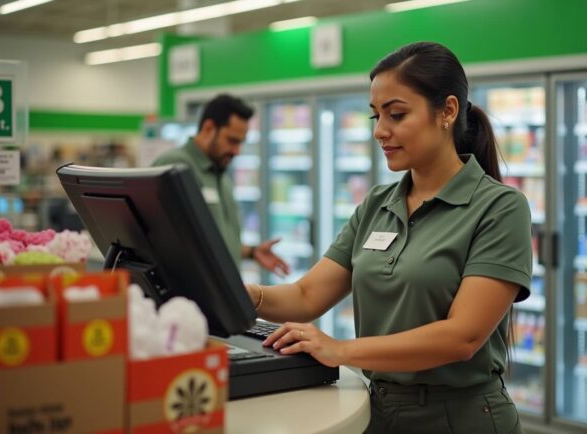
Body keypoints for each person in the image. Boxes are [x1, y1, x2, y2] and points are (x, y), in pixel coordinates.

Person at [245, 42, 531, 433]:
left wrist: (341, 350)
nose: (380, 131)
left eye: (396, 114)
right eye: (375, 116)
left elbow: (462, 336)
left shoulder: (500, 208)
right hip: (378, 410)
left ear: (447, 111)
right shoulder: (379, 202)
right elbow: (307, 296)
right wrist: (245, 295)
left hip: (459, 418)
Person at [152, 94, 289, 275]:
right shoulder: (175, 167)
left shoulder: (221, 176)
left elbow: (214, 241)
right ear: (209, 128)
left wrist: (252, 252)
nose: (236, 151)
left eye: (240, 143)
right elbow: (163, 241)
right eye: (232, 140)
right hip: (192, 297)